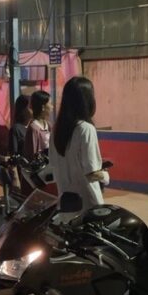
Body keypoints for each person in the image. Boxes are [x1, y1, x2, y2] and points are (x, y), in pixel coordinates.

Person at [49, 77, 109, 210]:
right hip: (88, 204)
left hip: (65, 204)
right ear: (87, 100)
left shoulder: (56, 131)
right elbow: (92, 173)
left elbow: (53, 165)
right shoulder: (86, 129)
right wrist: (105, 176)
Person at [23, 90, 52, 160]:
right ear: (43, 107)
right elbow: (32, 155)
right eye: (50, 104)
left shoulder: (49, 125)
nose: (52, 107)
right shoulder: (33, 128)